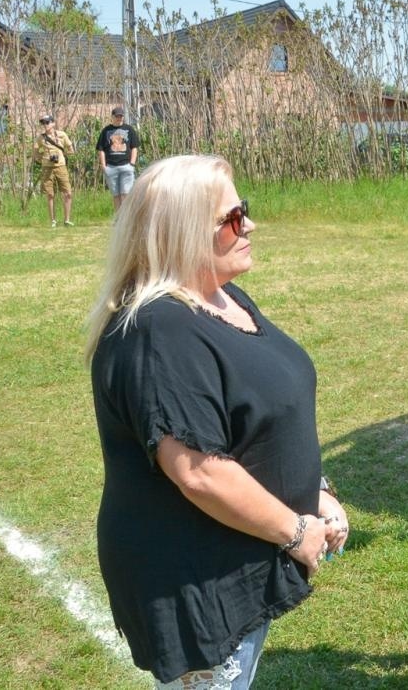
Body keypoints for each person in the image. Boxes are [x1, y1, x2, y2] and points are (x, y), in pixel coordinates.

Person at [85, 154, 348, 688]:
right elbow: (199, 471)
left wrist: (312, 492)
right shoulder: (159, 331)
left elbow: (257, 422)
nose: (249, 224)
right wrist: (295, 530)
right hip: (195, 577)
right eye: (232, 217)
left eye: (243, 210)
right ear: (184, 234)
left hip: (235, 553)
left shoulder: (223, 299)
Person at [96, 106, 142, 211]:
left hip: (126, 166)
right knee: (116, 195)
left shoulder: (129, 129)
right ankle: (118, 217)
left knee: (126, 194)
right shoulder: (106, 131)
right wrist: (103, 166)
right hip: (111, 167)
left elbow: (134, 147)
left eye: (121, 116)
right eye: (117, 116)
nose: (119, 118)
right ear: (112, 117)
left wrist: (132, 164)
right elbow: (101, 149)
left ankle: (125, 217)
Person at [34, 114, 75, 227]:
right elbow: (35, 151)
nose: (45, 125)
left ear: (53, 123)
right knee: (50, 194)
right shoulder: (40, 138)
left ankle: (67, 220)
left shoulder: (62, 135)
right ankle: (53, 220)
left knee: (67, 193)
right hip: (47, 168)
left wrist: (64, 155)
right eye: (43, 123)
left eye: (47, 122)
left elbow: (70, 148)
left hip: (61, 166)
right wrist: (41, 158)